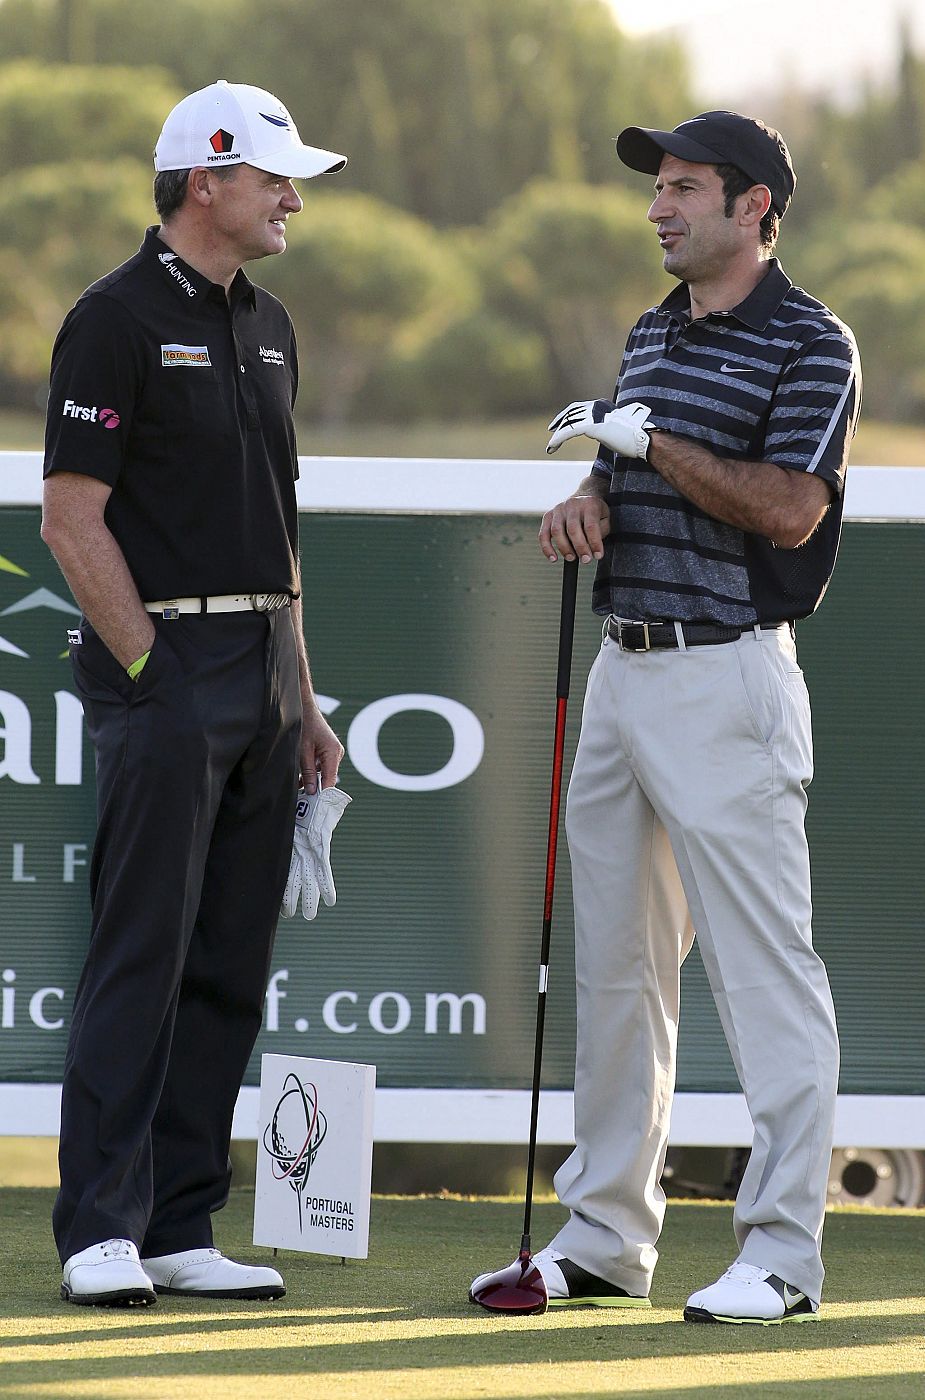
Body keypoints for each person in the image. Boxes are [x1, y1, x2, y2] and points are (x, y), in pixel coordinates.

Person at [472, 111, 860, 1324]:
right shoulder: (650, 332)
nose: (658, 208)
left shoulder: (811, 341)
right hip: (623, 674)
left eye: (684, 188)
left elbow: (787, 506)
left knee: (763, 973)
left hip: (727, 678)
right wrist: (589, 492)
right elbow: (629, 469)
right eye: (659, 190)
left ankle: (783, 1254)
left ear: (754, 209)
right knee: (619, 972)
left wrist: (650, 439)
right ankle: (604, 1236)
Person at [41, 81, 347, 1307]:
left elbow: (279, 533)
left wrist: (306, 701)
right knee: (141, 955)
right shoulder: (110, 318)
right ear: (203, 179)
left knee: (229, 957)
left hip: (266, 675)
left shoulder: (270, 322)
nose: (293, 196)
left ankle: (177, 1220)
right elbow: (72, 521)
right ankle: (99, 1227)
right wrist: (151, 676)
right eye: (275, 177)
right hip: (161, 670)